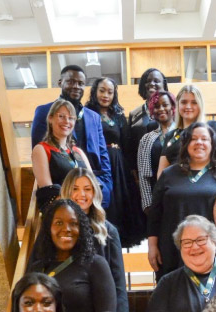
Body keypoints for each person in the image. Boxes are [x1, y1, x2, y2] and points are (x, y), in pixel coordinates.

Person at [60, 168, 128, 312]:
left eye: (87, 189)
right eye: (76, 189)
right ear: (67, 192)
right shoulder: (55, 229)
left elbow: (118, 274)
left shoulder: (108, 230)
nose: (82, 194)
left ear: (95, 193)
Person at [147, 123, 216, 279]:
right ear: (185, 144)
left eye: (204, 139)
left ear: (213, 145)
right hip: (172, 250)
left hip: (215, 251)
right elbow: (155, 214)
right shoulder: (168, 174)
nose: (199, 143)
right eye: (193, 139)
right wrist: (152, 246)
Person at [27, 198, 116, 312]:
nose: (66, 229)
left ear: (81, 228)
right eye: (59, 223)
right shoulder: (37, 269)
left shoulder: (95, 264)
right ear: (48, 228)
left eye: (73, 223)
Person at [31, 65, 112, 209]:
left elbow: (102, 153)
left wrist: (106, 184)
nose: (76, 86)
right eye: (71, 82)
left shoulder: (92, 116)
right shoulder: (44, 111)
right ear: (60, 82)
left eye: (80, 83)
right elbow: (40, 154)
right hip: (61, 189)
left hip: (94, 185)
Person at [85, 77, 144, 248]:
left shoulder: (118, 115)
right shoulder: (88, 113)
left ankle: (116, 241)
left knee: (122, 204)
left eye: (110, 92)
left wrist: (132, 172)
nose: (105, 95)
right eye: (102, 90)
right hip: (99, 162)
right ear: (95, 91)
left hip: (120, 164)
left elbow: (127, 145)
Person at [157, 84, 216, 178]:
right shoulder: (171, 136)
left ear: (200, 105)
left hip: (206, 186)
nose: (188, 106)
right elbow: (161, 173)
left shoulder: (211, 127)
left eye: (194, 102)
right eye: (184, 102)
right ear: (177, 105)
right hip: (175, 189)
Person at [32, 99, 89, 212]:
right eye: (61, 116)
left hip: (85, 209)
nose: (66, 121)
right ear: (50, 118)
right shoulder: (41, 150)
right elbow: (48, 190)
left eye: (71, 118)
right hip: (61, 212)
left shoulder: (78, 152)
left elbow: (93, 184)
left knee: (111, 229)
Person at [137, 90, 177, 213]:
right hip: (157, 198)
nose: (161, 109)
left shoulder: (183, 133)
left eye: (165, 105)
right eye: (157, 106)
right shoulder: (146, 139)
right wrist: (148, 205)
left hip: (180, 193)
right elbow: (144, 176)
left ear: (173, 107)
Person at [127, 68, 169, 177]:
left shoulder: (171, 112)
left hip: (168, 168)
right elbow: (130, 147)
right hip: (141, 171)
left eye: (156, 81)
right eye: (148, 81)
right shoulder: (134, 114)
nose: (152, 84)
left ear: (164, 85)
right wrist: (133, 171)